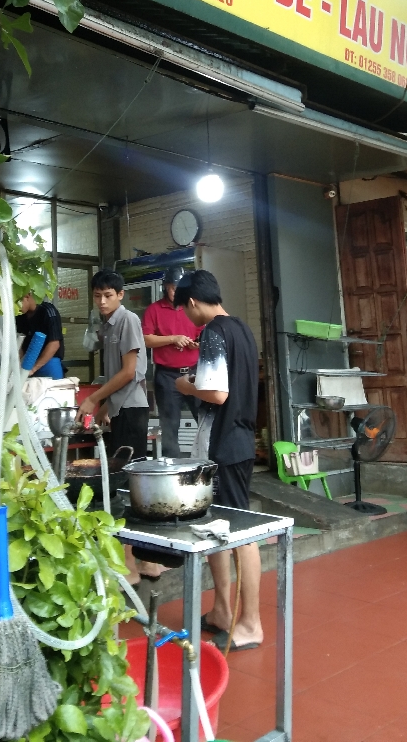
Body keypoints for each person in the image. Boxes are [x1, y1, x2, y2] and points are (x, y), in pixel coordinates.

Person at [174, 269, 263, 652]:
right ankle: (222, 612)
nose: (187, 317)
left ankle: (251, 624)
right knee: (217, 529)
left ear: (193, 302)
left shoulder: (212, 331)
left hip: (224, 445)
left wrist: (185, 385)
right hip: (238, 440)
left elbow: (217, 393)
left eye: (185, 309)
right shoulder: (242, 329)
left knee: (240, 533)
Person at [76, 269, 163, 584]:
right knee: (126, 484)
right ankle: (143, 561)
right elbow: (117, 376)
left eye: (108, 295)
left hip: (132, 410)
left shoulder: (128, 320)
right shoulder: (108, 324)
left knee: (128, 486)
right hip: (121, 409)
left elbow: (129, 373)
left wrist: (94, 399)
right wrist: (103, 410)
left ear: (120, 295)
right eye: (97, 296)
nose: (102, 301)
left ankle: (137, 563)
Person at [142, 265, 200, 458]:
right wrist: (173, 339)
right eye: (174, 288)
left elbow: (203, 334)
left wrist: (196, 343)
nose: (177, 292)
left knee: (206, 419)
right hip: (167, 376)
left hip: (194, 372)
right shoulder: (154, 310)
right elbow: (146, 339)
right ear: (165, 287)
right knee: (169, 426)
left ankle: (209, 464)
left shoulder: (193, 307)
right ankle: (173, 469)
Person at [16, 292, 64, 379]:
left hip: (49, 363)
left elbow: (54, 344)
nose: (16, 307)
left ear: (27, 296)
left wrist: (34, 368)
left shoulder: (48, 311)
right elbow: (21, 343)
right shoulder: (20, 316)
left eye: (17, 303)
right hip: (28, 363)